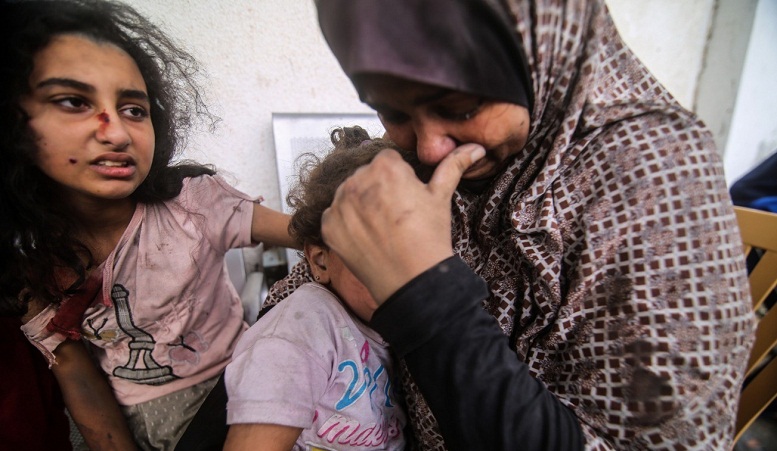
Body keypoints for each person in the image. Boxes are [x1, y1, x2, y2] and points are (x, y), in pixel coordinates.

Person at [264, 1, 756, 450]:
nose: (430, 148)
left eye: (459, 109)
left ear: (539, 49)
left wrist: (426, 298)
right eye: (391, 112)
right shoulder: (421, 161)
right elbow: (305, 299)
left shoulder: (657, 176)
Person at [0, 0, 295, 449]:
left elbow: (310, 232)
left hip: (248, 393)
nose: (116, 133)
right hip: (152, 431)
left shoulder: (192, 203)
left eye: (134, 109)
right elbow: (76, 375)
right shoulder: (31, 261)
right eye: (73, 102)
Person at [223, 126, 409, 451]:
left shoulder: (400, 329)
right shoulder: (302, 332)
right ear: (320, 262)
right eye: (372, 248)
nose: (398, 271)